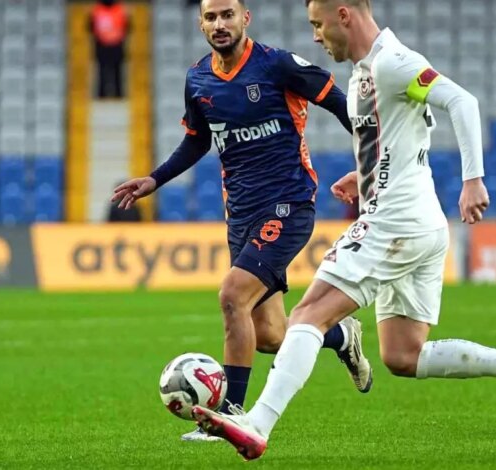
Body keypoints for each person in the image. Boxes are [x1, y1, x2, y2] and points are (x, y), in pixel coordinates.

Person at [193, 0, 496, 460]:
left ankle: (256, 424)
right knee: (403, 355)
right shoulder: (364, 74)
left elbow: (462, 101)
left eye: (318, 24)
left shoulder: (392, 62)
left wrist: (473, 179)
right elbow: (403, 137)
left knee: (308, 315)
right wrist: (364, 173)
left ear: (343, 15)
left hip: (394, 222)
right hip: (421, 222)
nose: (315, 36)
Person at [111, 0, 372, 442]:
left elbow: (345, 106)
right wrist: (155, 179)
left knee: (232, 295)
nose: (220, 23)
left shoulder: (278, 65)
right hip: (241, 214)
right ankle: (339, 337)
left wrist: (372, 165)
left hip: (288, 204)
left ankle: (229, 415)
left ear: (245, 18)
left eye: (227, 14)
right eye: (211, 17)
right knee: (269, 334)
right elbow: (197, 140)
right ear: (201, 24)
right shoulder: (198, 79)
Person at [89, 0, 130, 99]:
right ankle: (101, 95)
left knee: (117, 73)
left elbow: (127, 27)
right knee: (102, 72)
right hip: (102, 46)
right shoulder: (97, 10)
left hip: (117, 46)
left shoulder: (120, 9)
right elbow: (91, 27)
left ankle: (119, 95)